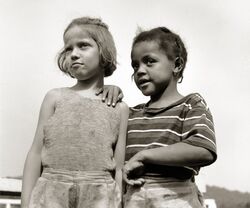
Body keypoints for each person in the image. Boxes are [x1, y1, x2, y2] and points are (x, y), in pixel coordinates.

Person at [98, 27, 217, 207]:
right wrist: (109, 94)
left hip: (177, 195)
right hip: (132, 197)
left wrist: (144, 156)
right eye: (135, 65)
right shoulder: (131, 114)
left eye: (149, 61)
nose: (139, 71)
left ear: (177, 65)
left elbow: (203, 149)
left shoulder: (190, 104)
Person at [21, 17, 129, 208]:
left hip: (101, 195)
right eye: (68, 48)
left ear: (104, 53)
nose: (73, 54)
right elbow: (35, 153)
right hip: (51, 191)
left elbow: (119, 168)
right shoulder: (54, 98)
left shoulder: (119, 108)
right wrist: (25, 203)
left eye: (83, 45)